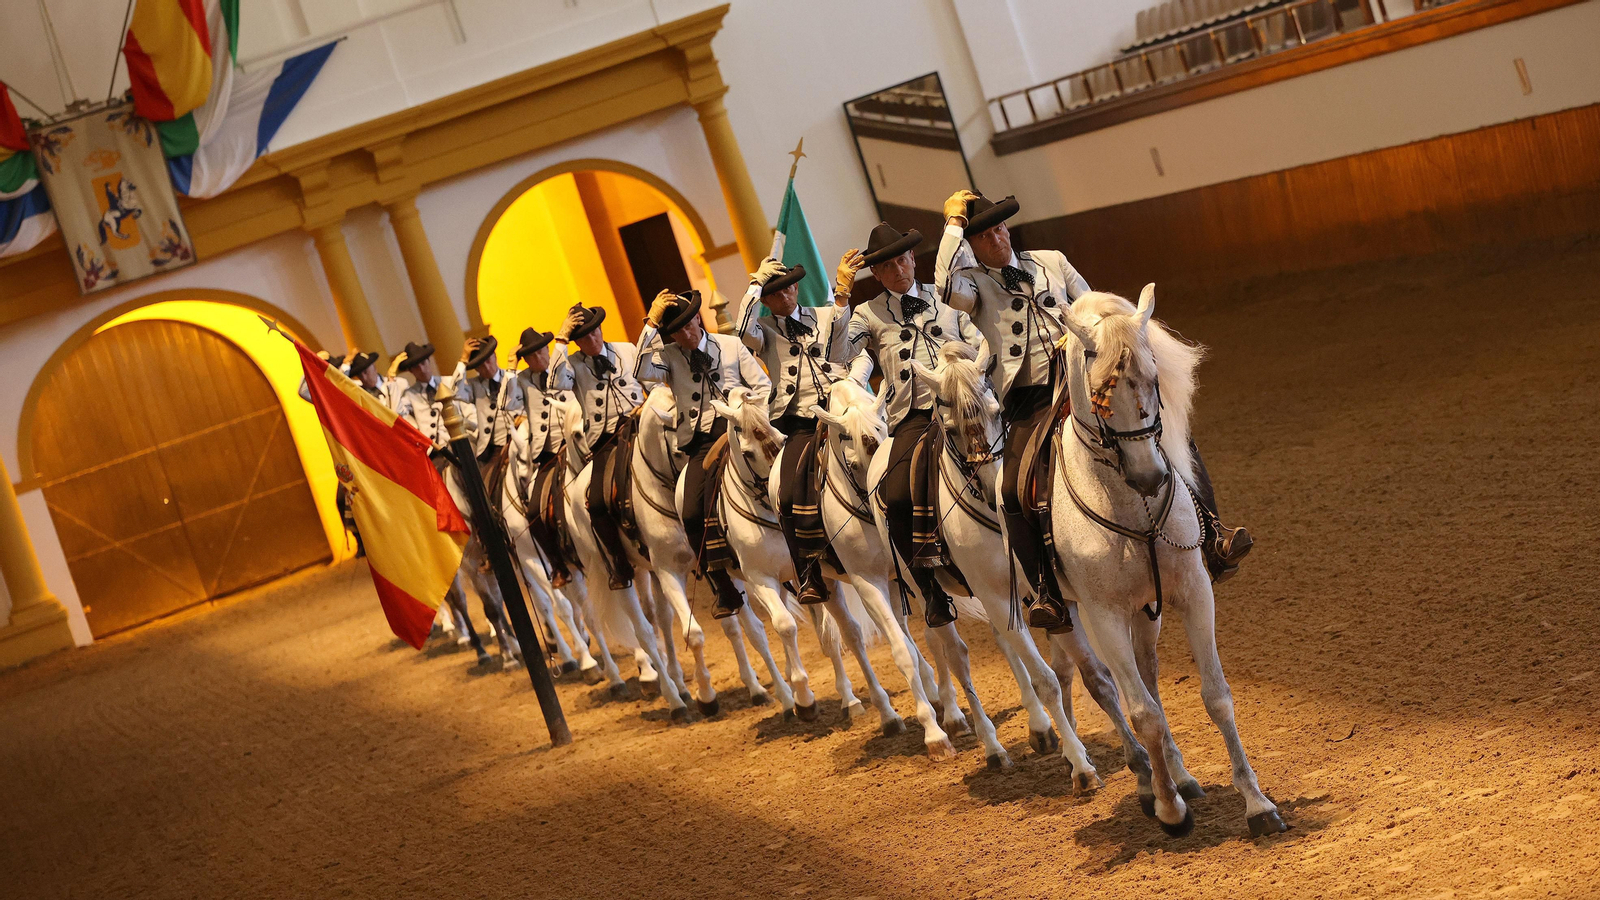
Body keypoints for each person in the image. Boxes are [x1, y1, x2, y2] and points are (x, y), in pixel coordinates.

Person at [934, 190, 1253, 630]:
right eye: (985, 235)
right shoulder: (972, 284)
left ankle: (1213, 534)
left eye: (1000, 228)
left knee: (1165, 435)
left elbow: (1093, 306)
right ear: (972, 244)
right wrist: (952, 225)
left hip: (1080, 380)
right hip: (1028, 398)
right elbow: (944, 286)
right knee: (1011, 488)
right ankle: (1045, 589)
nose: (997, 239)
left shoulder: (1052, 260)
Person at [840, 223, 985, 627]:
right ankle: (931, 590)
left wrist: (968, 371)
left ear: (912, 260)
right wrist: (841, 298)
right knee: (897, 496)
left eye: (902, 259)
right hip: (914, 417)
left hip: (964, 405)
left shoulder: (948, 299)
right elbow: (835, 352)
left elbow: (978, 339)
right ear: (879, 275)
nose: (898, 269)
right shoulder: (867, 313)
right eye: (886, 266)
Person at [638, 290, 770, 617]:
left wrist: (749, 412)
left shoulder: (731, 346)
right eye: (676, 331)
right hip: (700, 442)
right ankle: (723, 586)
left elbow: (764, 387)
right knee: (692, 511)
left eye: (688, 324)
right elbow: (641, 371)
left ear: (698, 317)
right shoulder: (668, 356)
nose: (685, 334)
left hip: (741, 429)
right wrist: (651, 323)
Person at [734, 259, 852, 605]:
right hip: (799, 421)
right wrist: (755, 286)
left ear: (797, 288)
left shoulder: (828, 315)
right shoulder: (764, 330)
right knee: (786, 498)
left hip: (842, 411)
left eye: (787, 287)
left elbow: (854, 352)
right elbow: (742, 330)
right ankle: (809, 573)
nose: (783, 295)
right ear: (766, 302)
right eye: (773, 293)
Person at [548, 304, 646, 590]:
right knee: (598, 502)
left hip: (639, 425)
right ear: (577, 342)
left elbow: (648, 380)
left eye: (595, 332)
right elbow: (554, 383)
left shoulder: (626, 350)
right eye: (584, 337)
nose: (592, 340)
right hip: (606, 440)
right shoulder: (573, 365)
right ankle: (619, 561)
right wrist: (561, 341)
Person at [506, 327, 575, 587]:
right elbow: (508, 404)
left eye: (541, 351)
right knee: (534, 512)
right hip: (547, 453)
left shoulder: (565, 366)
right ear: (526, 360)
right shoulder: (522, 379)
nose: (540, 358)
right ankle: (559, 566)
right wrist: (511, 370)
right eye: (532, 356)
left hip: (577, 443)